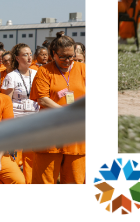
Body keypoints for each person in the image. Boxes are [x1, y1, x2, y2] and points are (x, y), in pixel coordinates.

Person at [29, 32, 86, 184]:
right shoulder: (44, 71)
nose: (68, 60)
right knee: (44, 182)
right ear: (53, 54)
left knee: (75, 182)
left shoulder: (83, 69)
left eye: (71, 56)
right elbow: (42, 99)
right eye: (63, 57)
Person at [0, 43, 40, 183]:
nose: (29, 57)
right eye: (25, 54)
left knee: (31, 156)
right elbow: (5, 103)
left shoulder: (37, 74)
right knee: (15, 156)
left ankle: (29, 183)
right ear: (17, 58)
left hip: (34, 119)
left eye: (30, 54)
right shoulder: (11, 76)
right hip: (16, 120)